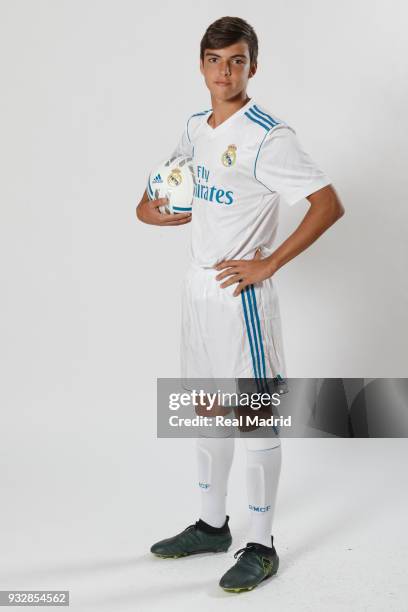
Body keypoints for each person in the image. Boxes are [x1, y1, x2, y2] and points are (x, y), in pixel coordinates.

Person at [136, 16, 345, 593]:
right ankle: (211, 526)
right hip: (197, 290)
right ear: (200, 64)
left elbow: (328, 204)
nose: (224, 71)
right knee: (206, 410)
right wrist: (154, 210)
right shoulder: (193, 127)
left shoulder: (269, 136)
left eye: (236, 61)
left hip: (242, 299)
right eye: (214, 59)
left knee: (254, 418)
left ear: (254, 66)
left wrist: (269, 262)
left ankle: (262, 544)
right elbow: (153, 198)